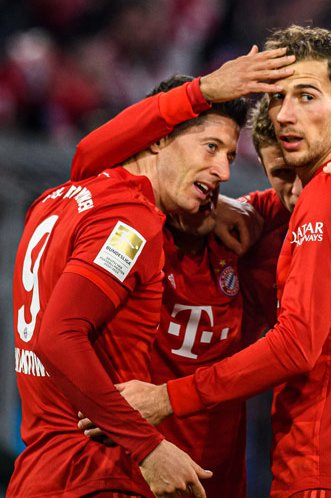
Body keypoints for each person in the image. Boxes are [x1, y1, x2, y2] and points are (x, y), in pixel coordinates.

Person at [114, 25, 331, 497]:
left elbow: (295, 345)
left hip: (325, 465)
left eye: (306, 96)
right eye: (276, 98)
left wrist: (167, 398)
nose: (286, 114)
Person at [7, 47, 287, 498]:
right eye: (210, 147)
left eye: (230, 157)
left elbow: (89, 152)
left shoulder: (57, 200)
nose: (222, 170)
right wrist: (148, 447)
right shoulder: (130, 221)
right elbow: (58, 336)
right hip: (97, 472)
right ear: (158, 139)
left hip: (42, 469)